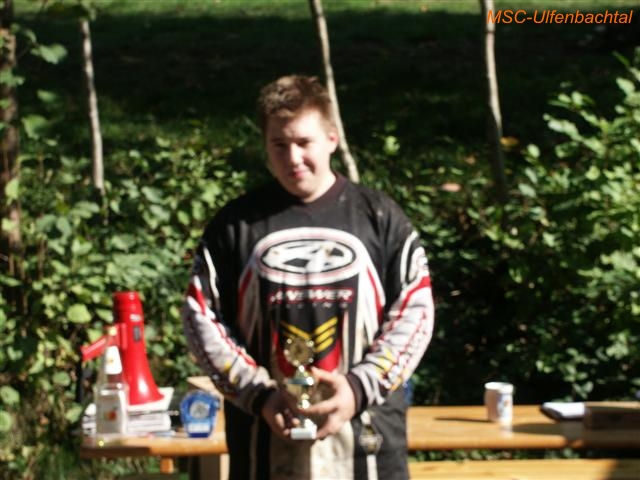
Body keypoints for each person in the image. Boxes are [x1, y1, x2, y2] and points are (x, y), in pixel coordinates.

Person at [182, 75, 435, 480]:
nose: (293, 158)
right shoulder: (234, 225)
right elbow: (201, 316)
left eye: (304, 142)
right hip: (264, 444)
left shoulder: (380, 217)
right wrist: (259, 394)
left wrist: (359, 387)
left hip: (367, 447)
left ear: (332, 139)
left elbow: (415, 310)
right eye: (279, 145)